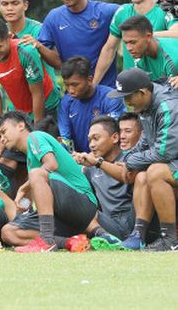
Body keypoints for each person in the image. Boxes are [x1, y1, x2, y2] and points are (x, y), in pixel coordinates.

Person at [0, 111, 99, 253]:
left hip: (82, 203)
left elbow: (51, 164)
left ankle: (46, 240)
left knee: (36, 174)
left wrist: (23, 188)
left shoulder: (35, 137)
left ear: (21, 126)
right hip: (63, 216)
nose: (2, 139)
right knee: (8, 232)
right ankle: (70, 241)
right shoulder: (30, 159)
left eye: (4, 131)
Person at [108, 68, 178, 251]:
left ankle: (170, 239)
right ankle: (138, 234)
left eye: (128, 97)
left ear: (143, 92)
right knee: (141, 177)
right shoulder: (145, 105)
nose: (126, 103)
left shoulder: (167, 106)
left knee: (155, 172)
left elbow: (164, 152)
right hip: (173, 160)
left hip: (171, 156)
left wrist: (131, 162)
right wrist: (129, 159)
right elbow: (146, 141)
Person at [94, 0, 178, 86]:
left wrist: (144, 36)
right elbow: (109, 49)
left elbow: (176, 33)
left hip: (161, 86)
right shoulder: (122, 12)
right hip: (131, 87)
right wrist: (94, 84)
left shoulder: (164, 11)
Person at [34, 0, 119, 86]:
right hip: (74, 92)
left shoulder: (106, 12)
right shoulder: (54, 17)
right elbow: (53, 59)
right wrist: (39, 47)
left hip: (107, 90)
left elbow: (134, 16)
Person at [0, 18, 60, 123]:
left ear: (9, 37)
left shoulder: (26, 51)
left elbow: (38, 93)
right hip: (19, 110)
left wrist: (38, 129)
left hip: (46, 104)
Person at [72, 116, 134, 242]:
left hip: (132, 225)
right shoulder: (90, 167)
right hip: (109, 224)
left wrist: (98, 162)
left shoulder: (131, 159)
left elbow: (126, 176)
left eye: (96, 138)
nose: (92, 145)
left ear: (115, 138)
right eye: (89, 140)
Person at [58, 56, 125, 153]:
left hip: (109, 159)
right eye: (67, 85)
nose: (70, 90)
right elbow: (65, 139)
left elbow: (112, 135)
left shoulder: (111, 98)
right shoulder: (66, 102)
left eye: (75, 84)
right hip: (79, 159)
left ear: (89, 80)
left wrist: (93, 159)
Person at [119, 15, 178, 85]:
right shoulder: (140, 58)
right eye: (126, 43)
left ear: (149, 37)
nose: (128, 48)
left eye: (133, 42)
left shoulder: (172, 60)